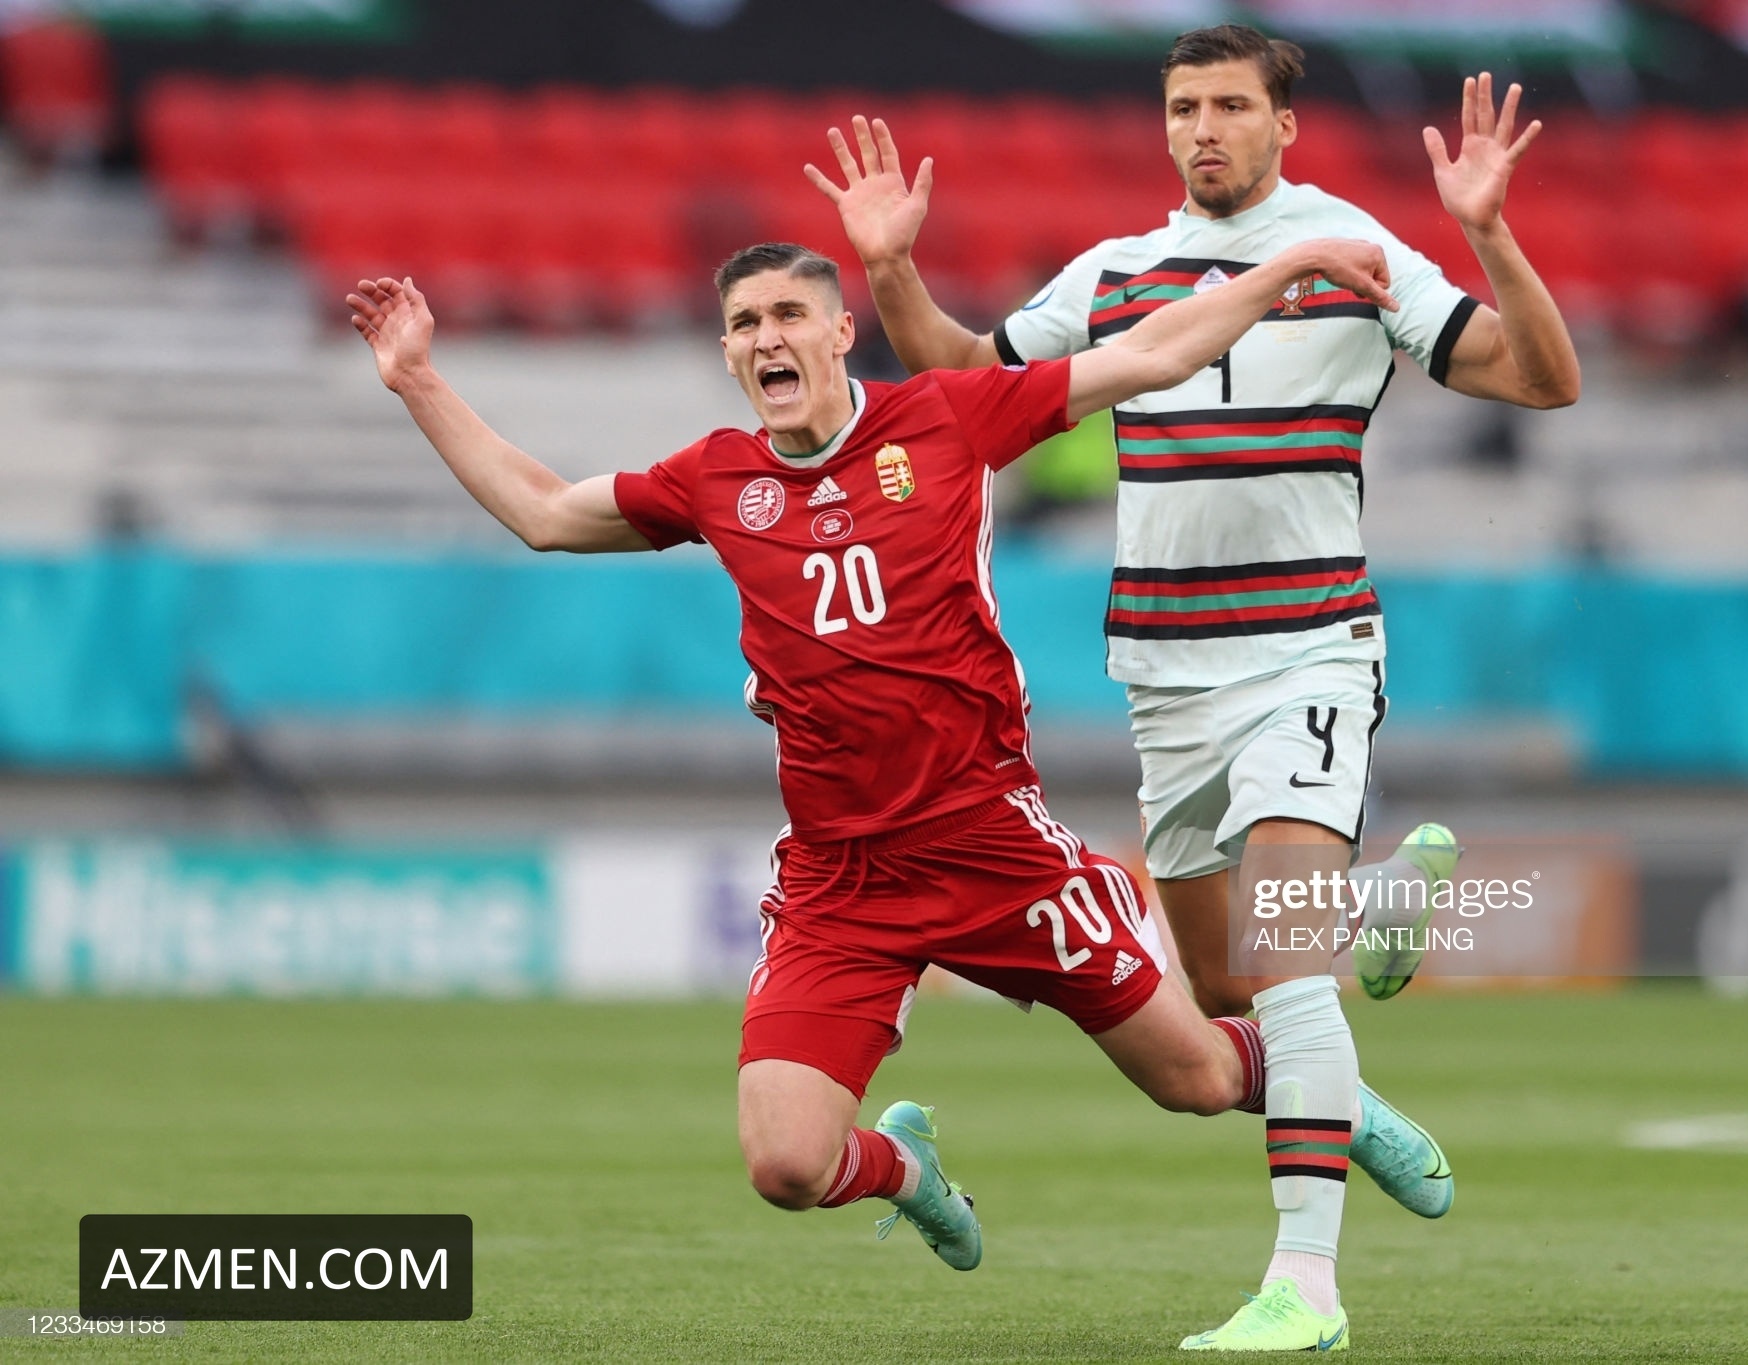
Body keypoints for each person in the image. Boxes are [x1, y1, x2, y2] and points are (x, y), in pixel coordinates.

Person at [345, 231, 1400, 1348]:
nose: (768, 338)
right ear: (727, 352)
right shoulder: (715, 478)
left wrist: (1279, 271)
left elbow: (1148, 356)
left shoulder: (945, 418)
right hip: (842, 879)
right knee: (785, 1165)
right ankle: (910, 1171)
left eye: (788, 315)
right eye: (745, 324)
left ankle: (1320, 1083)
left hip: (993, 846)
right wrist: (416, 379)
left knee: (1196, 1080)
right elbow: (547, 513)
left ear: (841, 331)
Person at [814, 22, 1580, 1351]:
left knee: (1282, 964)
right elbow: (963, 387)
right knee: (1224, 994)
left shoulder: (1352, 251)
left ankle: (1305, 1286)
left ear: (1284, 124)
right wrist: (888, 269)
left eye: (1229, 105)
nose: (1204, 129)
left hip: (1307, 650)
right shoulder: (1114, 273)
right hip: (1165, 674)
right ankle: (1372, 938)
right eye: (1183, 107)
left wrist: (1488, 234)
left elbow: (1543, 379)